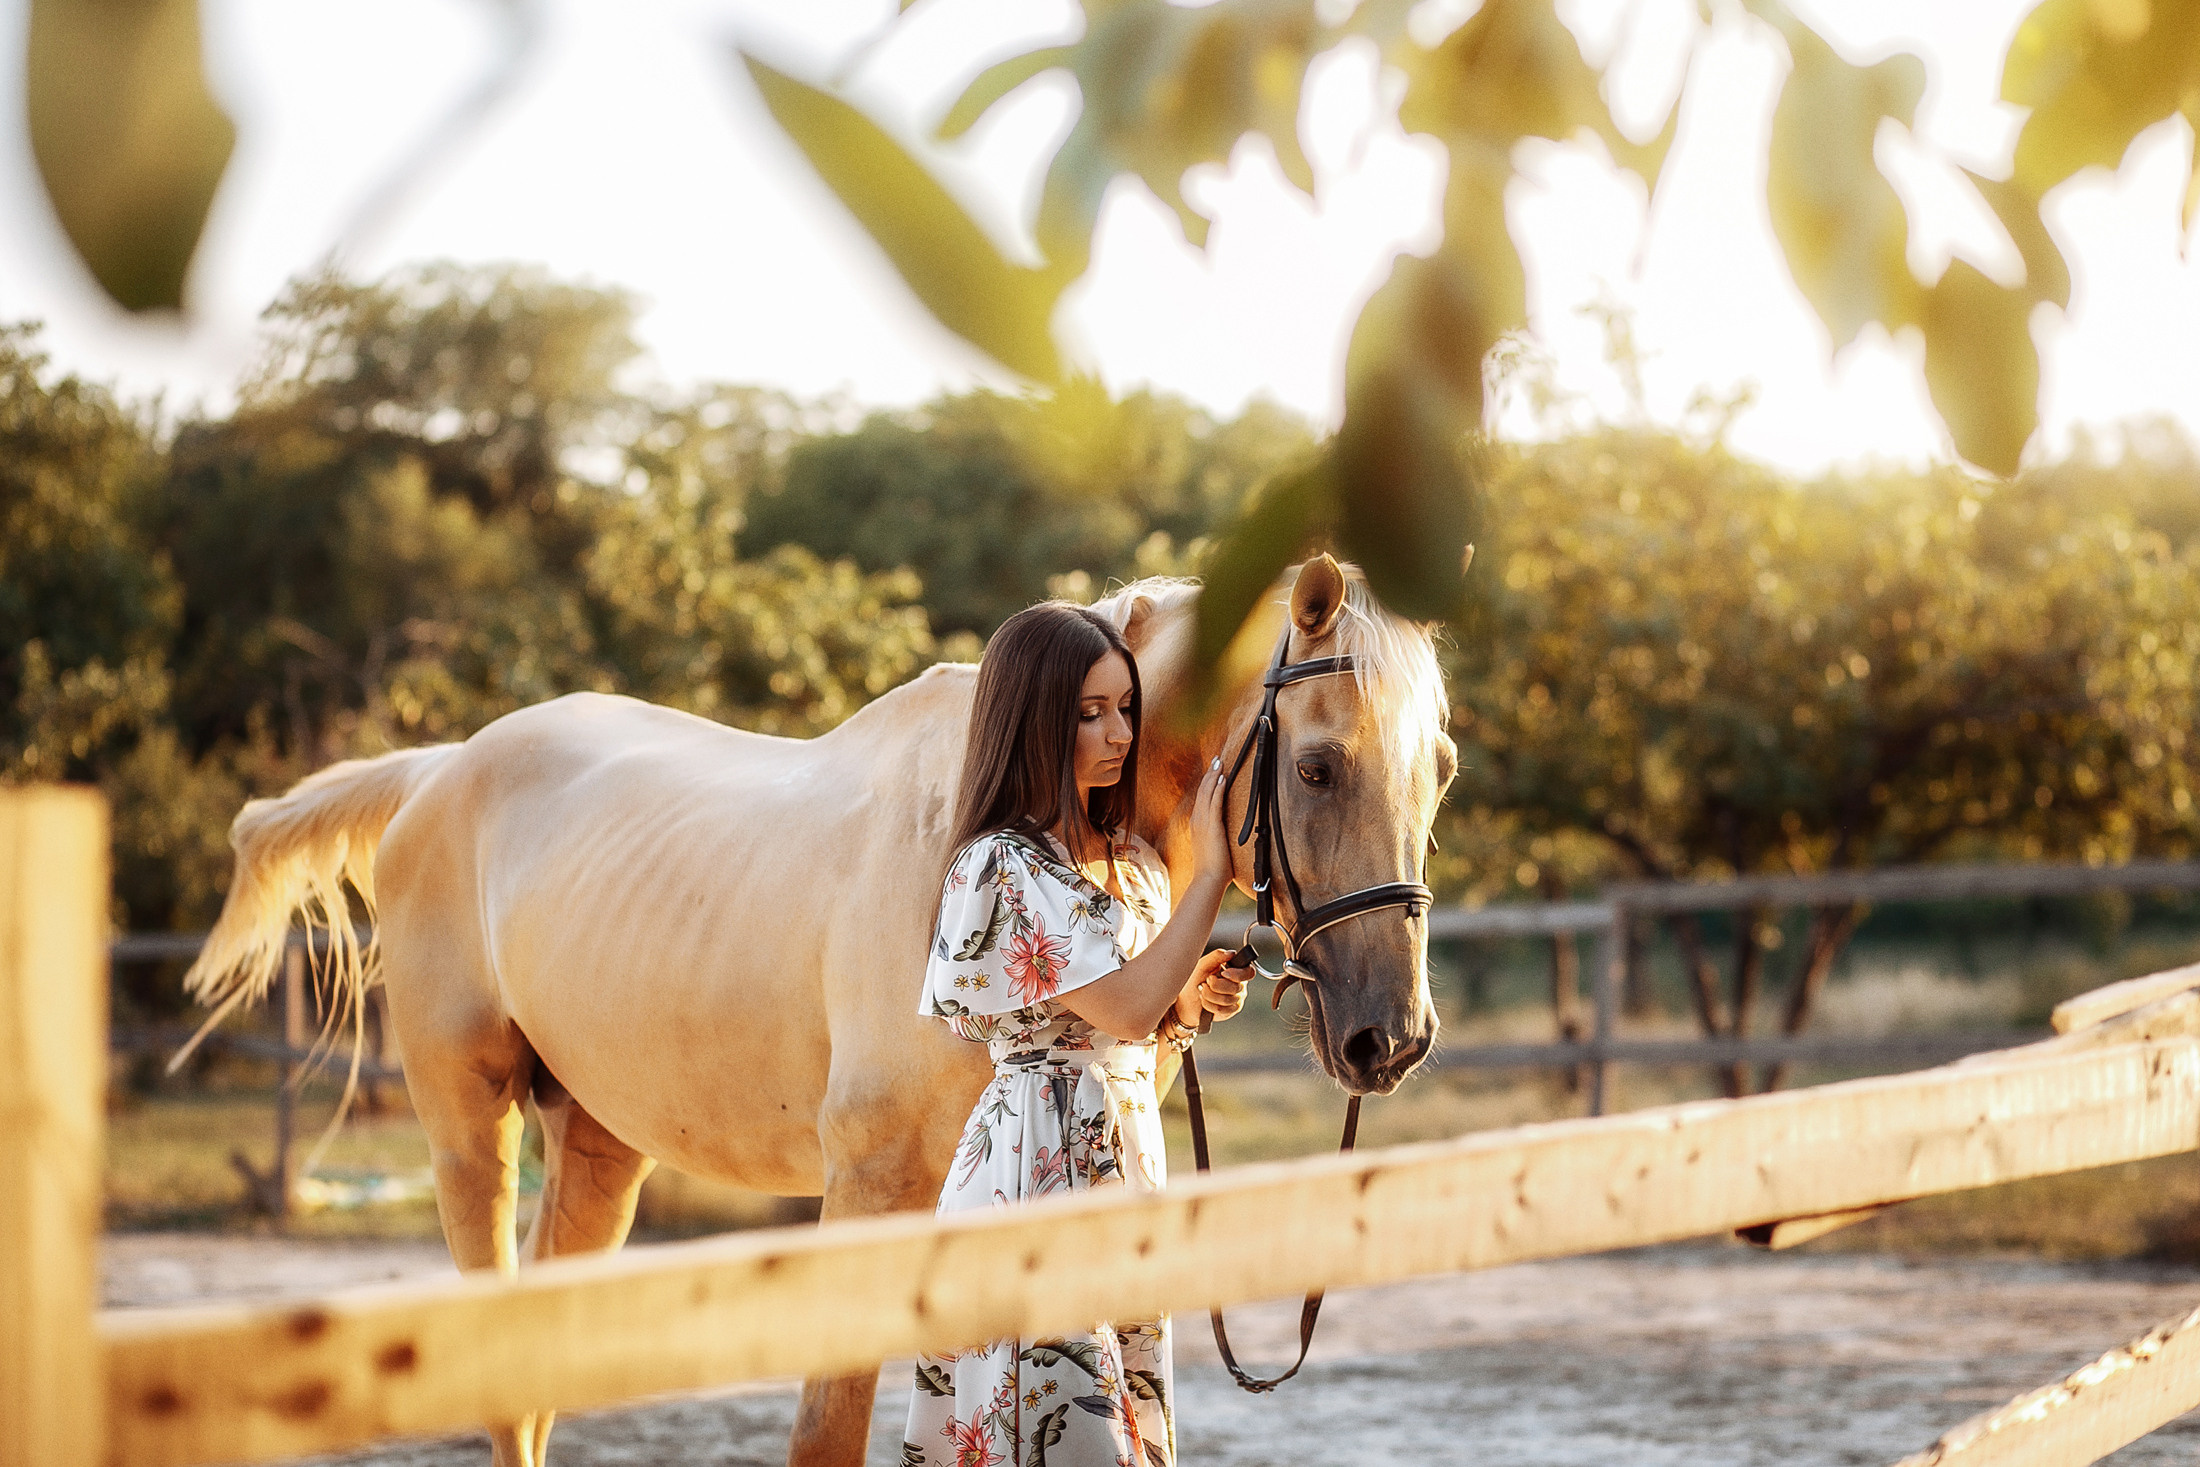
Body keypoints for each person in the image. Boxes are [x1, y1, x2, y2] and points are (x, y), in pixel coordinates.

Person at [903, 601, 1251, 1467]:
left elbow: (1136, 1022)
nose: (1119, 733)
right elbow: (1123, 1007)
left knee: (1116, 1417)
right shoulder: (1001, 863)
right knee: (1063, 1427)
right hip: (1035, 1164)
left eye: (1125, 707)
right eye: (1090, 712)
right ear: (1032, 720)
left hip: (1121, 1157)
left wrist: (1188, 1003)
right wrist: (1211, 875)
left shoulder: (1131, 863)